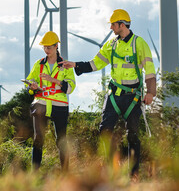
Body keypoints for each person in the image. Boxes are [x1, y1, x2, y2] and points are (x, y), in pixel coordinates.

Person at [60, 9, 156, 177]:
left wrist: (151, 93)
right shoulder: (111, 45)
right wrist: (75, 65)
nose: (111, 27)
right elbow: (95, 63)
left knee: (133, 135)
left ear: (122, 24)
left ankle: (133, 175)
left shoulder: (139, 44)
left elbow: (149, 69)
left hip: (133, 97)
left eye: (113, 24)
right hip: (113, 95)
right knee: (105, 130)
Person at [26, 31, 76, 171]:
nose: (46, 50)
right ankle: (34, 175)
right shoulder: (39, 64)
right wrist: (32, 86)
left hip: (59, 105)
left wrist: (54, 80)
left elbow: (70, 87)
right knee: (38, 140)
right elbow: (30, 81)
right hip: (41, 103)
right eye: (44, 47)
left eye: (49, 47)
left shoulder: (65, 65)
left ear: (56, 47)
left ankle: (65, 175)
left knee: (62, 141)